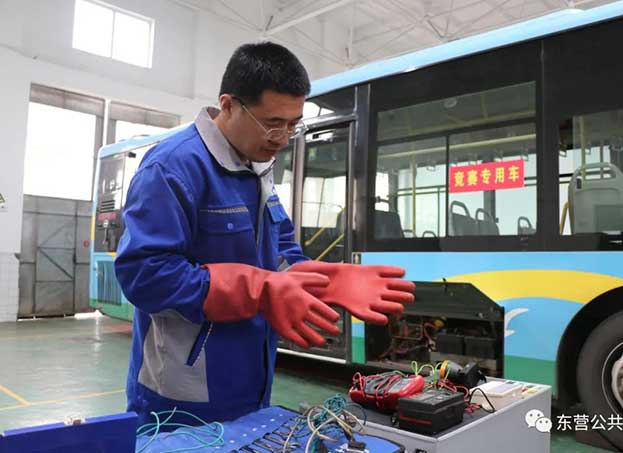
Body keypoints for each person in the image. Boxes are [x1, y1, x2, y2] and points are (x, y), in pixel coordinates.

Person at [115, 41, 415, 427]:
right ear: (228, 105)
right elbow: (145, 275)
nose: (283, 137)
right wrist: (262, 289)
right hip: (180, 395)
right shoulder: (173, 167)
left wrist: (318, 279)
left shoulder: (256, 166)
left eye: (293, 124)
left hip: (252, 381)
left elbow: (280, 248)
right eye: (273, 123)